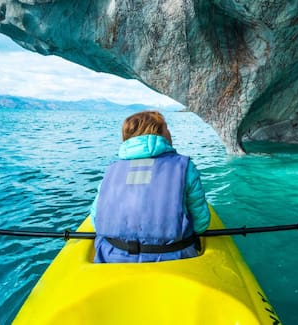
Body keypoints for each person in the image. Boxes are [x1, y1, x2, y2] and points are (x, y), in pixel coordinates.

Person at [90, 111, 210, 263]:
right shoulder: (185, 168)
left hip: (112, 257)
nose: (170, 132)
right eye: (167, 128)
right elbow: (201, 224)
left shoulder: (111, 170)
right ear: (158, 133)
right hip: (175, 258)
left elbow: (96, 221)